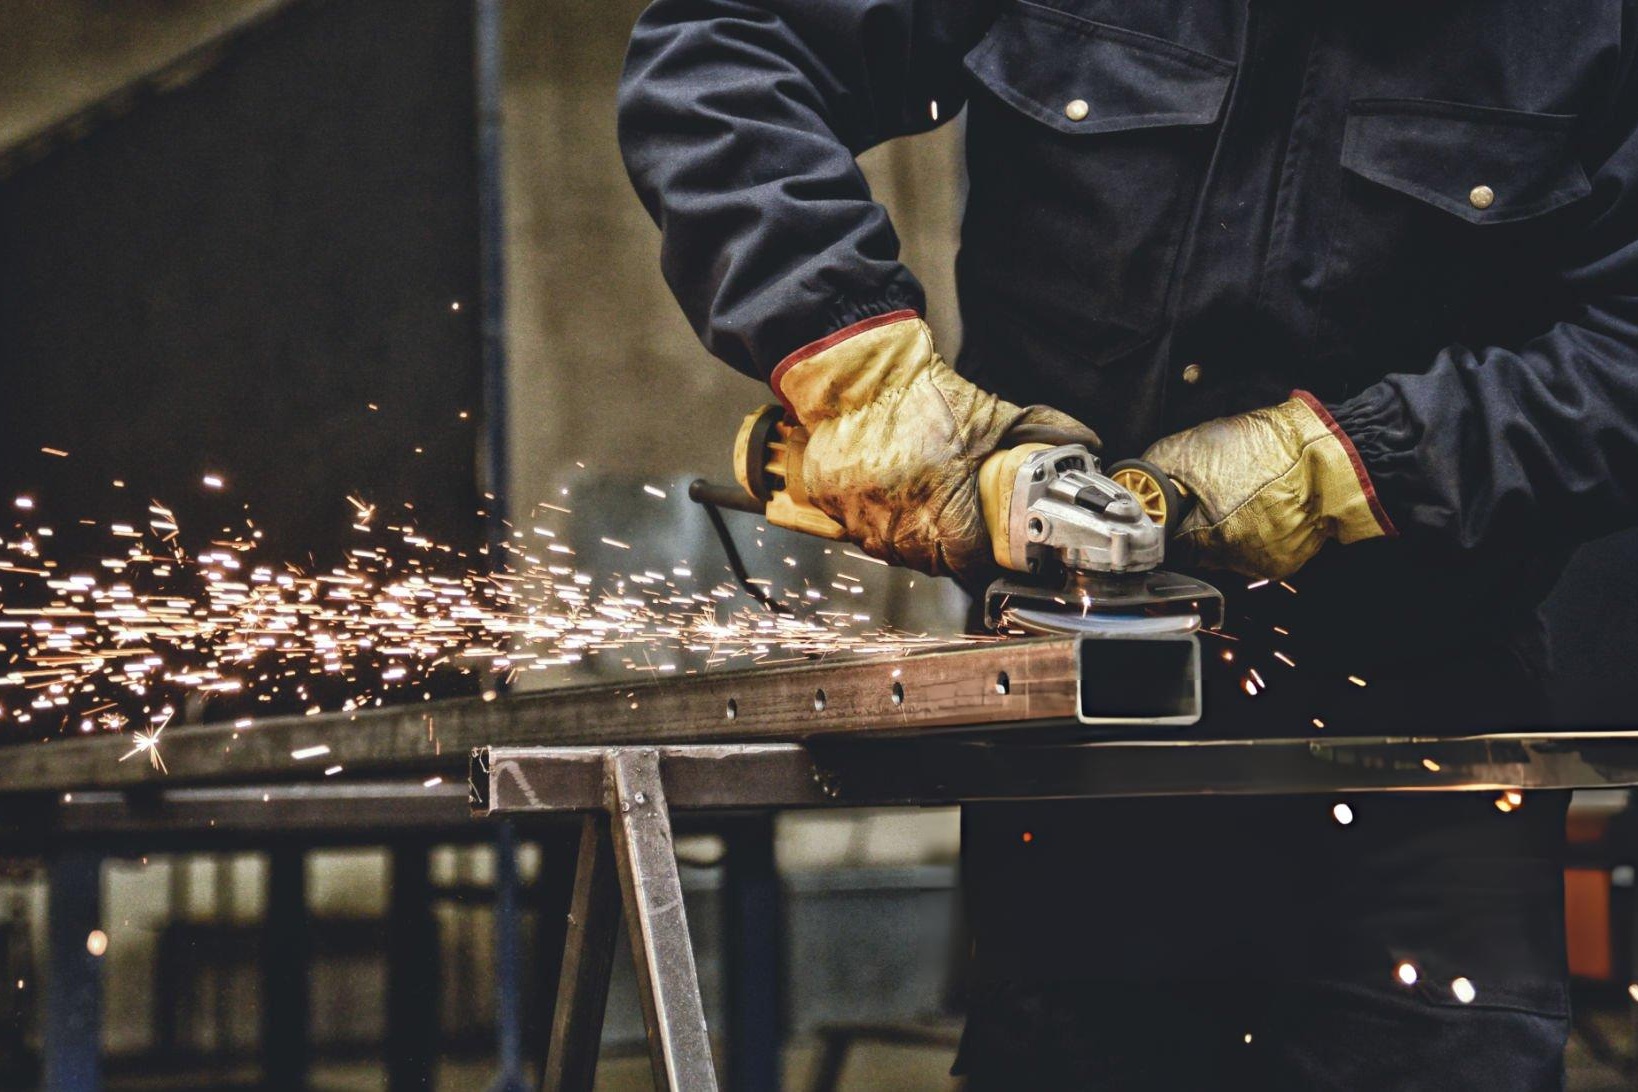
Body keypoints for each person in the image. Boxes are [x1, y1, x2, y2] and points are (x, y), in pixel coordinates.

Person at [618, 1, 1638, 1085]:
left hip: (1425, 741)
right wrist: (860, 365)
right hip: (1078, 737)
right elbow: (729, 49)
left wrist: (1354, 465)